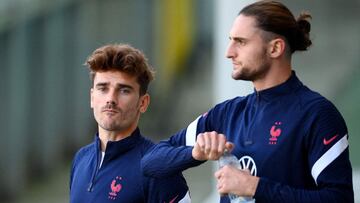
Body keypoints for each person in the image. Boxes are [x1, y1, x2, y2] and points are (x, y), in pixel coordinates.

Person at [141, 1, 354, 202]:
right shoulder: (227, 113)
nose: (229, 52)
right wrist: (195, 153)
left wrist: (255, 187)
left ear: (275, 48)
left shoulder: (316, 114)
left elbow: (339, 199)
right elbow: (150, 162)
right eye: (230, 40)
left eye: (240, 42)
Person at [69, 44, 191, 203]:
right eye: (103, 88)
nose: (111, 99)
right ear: (92, 97)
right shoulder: (81, 159)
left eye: (124, 90)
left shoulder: (159, 168)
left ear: (143, 102)